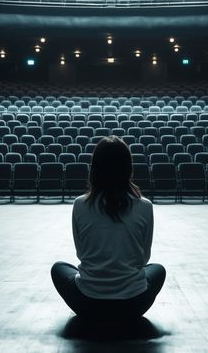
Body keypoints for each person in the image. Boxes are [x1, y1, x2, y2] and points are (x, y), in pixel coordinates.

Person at [51, 136, 166, 322]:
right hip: (134, 304)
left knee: (59, 268)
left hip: (87, 303)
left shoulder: (79, 204)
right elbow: (144, 259)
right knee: (158, 269)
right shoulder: (145, 206)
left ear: (95, 168)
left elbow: (81, 253)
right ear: (128, 168)